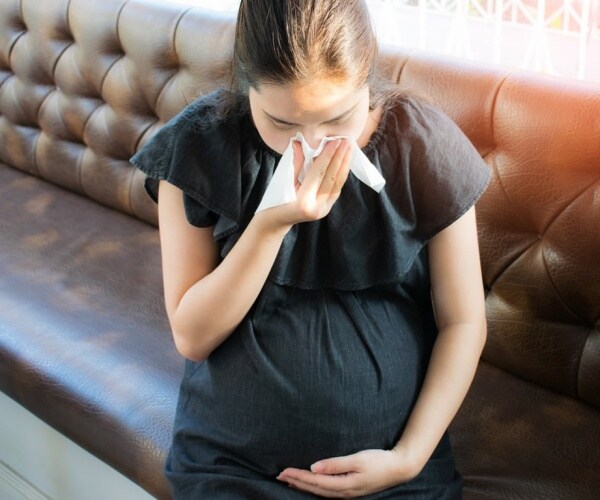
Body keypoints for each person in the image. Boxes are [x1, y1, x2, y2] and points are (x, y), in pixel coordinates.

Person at [130, 0, 491, 498]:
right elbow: (193, 336)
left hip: (393, 468)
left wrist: (407, 459)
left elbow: (464, 321)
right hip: (234, 464)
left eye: (338, 117)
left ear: (368, 75)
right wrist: (270, 226)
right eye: (281, 123)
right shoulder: (198, 148)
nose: (313, 145)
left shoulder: (423, 147)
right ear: (246, 83)